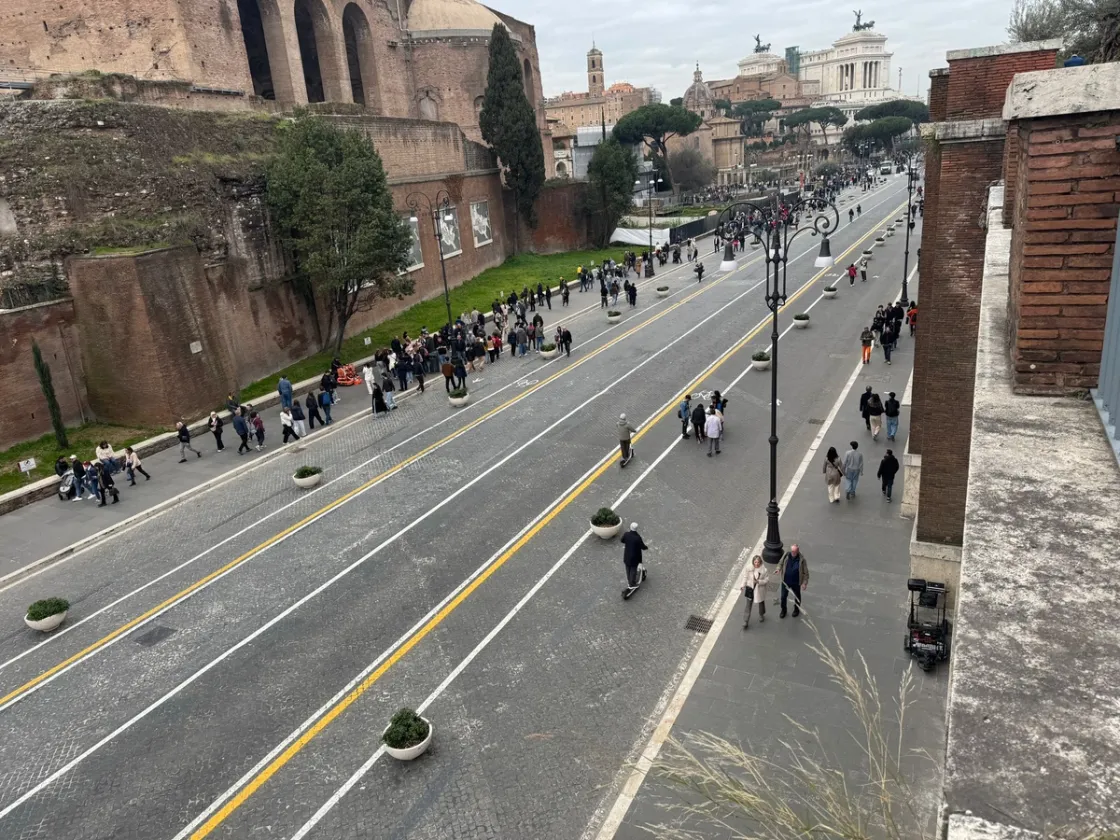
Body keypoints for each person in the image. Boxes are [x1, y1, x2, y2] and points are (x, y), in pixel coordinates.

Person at [777, 544, 809, 618]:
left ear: (798, 551)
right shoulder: (786, 555)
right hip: (785, 582)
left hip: (796, 582)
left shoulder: (802, 560)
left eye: (795, 551)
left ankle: (796, 609)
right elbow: (780, 563)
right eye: (792, 551)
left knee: (797, 596)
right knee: (783, 596)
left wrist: (804, 583)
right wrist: (778, 569)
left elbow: (806, 573)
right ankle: (783, 610)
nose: (793, 553)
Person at [742, 554, 770, 629]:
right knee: (748, 605)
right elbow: (745, 577)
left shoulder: (764, 570)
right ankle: (746, 620)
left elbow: (767, 580)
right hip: (750, 588)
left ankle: (761, 614)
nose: (756, 564)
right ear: (753, 562)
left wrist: (759, 582)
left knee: (761, 603)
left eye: (758, 562)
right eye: (755, 562)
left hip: (759, 589)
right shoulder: (748, 568)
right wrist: (742, 585)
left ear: (760, 562)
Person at [620, 522, 648, 590]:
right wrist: (646, 547)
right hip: (634, 558)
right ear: (636, 528)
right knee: (633, 570)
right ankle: (632, 584)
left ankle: (629, 581)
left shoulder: (626, 534)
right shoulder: (637, 538)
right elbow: (642, 546)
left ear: (630, 527)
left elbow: (622, 540)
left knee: (628, 569)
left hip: (627, 556)